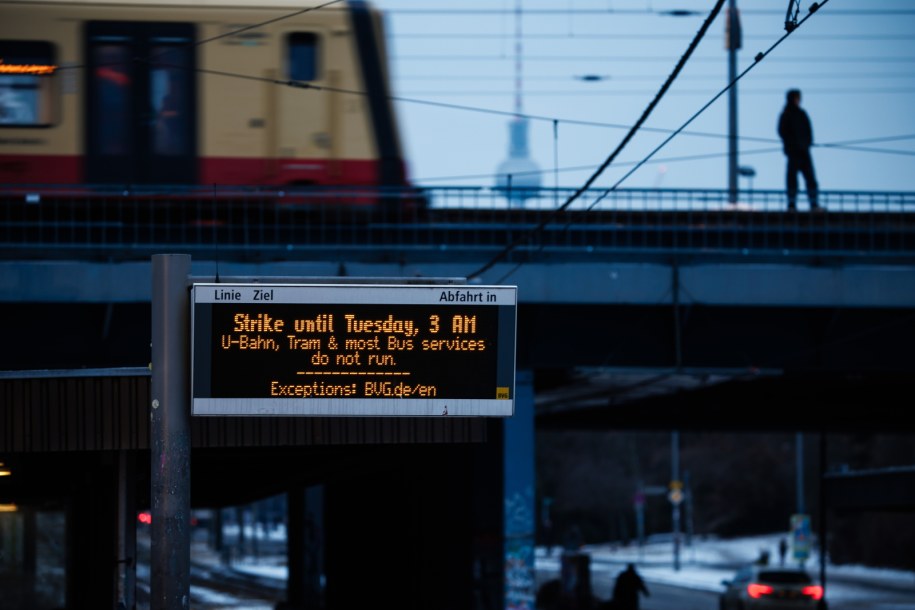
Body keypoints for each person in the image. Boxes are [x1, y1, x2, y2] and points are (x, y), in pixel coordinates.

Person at [778, 89, 821, 211]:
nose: (798, 100)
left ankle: (814, 203)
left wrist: (807, 143)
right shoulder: (786, 114)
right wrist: (791, 143)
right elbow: (782, 131)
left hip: (804, 150)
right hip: (793, 151)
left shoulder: (802, 114)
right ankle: (792, 204)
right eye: (796, 97)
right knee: (792, 179)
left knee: (810, 179)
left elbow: (808, 130)